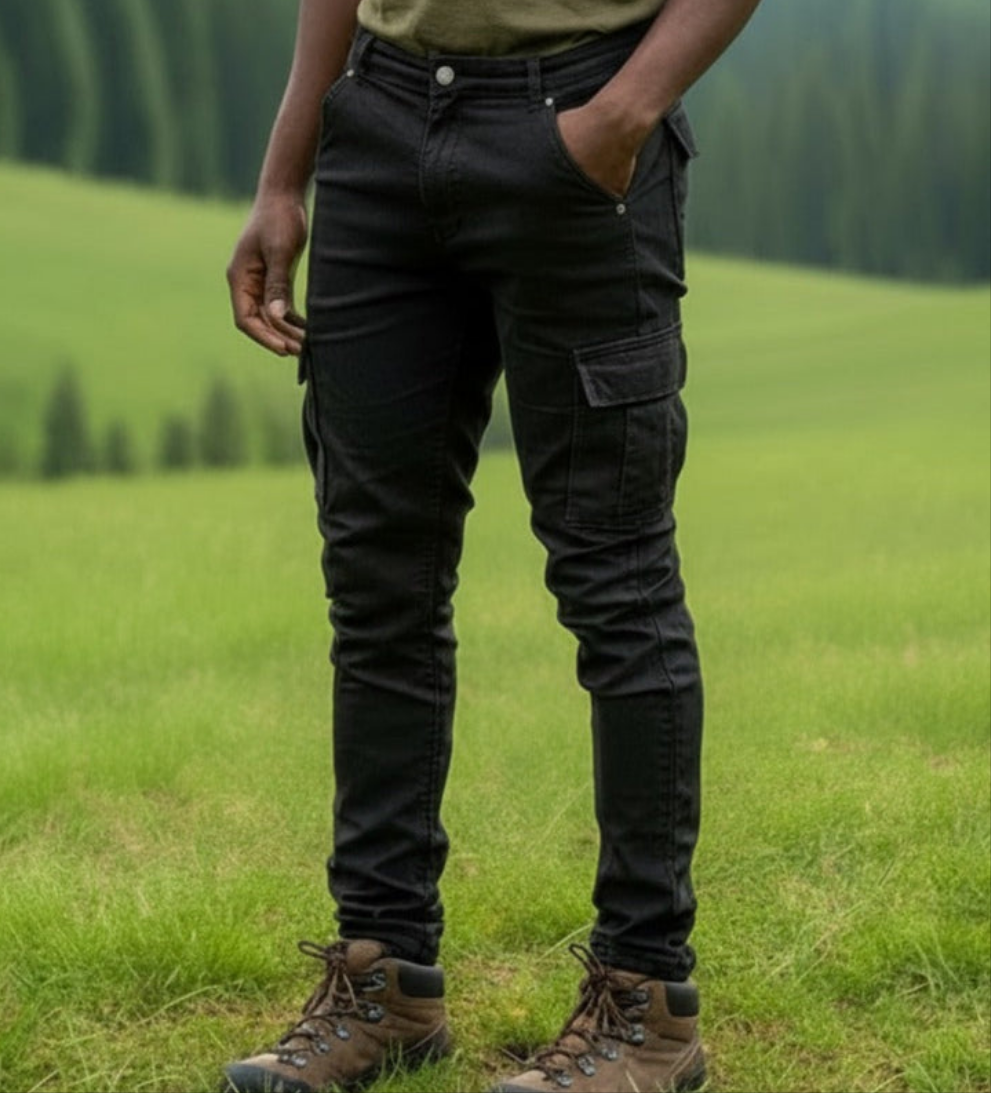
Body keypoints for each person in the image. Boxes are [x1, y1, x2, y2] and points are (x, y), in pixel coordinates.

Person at [223, 1, 760, 1090]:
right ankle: (383, 983)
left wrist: (621, 116)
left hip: (578, 129)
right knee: (377, 588)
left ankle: (647, 1006)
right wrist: (285, 178)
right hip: (377, 129)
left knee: (616, 584)